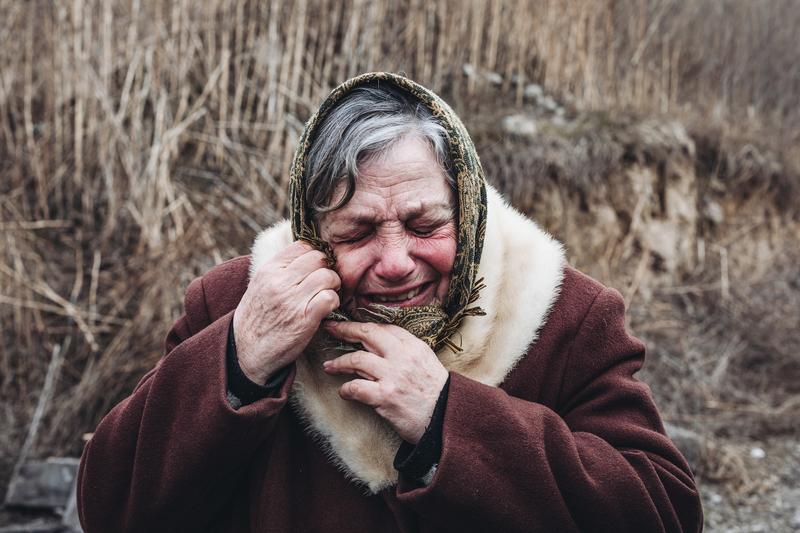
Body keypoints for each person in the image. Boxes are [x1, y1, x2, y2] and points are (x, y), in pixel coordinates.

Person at [77, 72, 703, 532]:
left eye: (427, 223)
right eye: (357, 232)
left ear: (469, 210)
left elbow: (665, 513)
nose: (397, 261)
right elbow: (110, 508)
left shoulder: (562, 316)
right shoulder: (234, 306)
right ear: (311, 231)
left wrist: (445, 417)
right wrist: (239, 360)